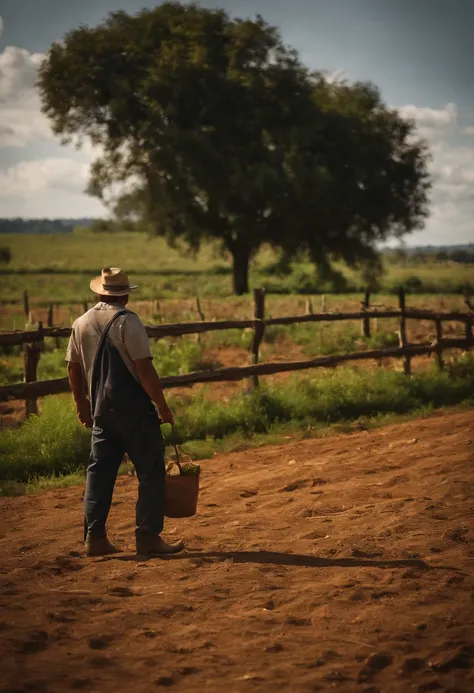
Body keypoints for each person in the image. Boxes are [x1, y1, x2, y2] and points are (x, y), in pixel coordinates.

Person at [66, 267, 184, 557]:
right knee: (151, 471)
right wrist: (163, 406)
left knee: (99, 473)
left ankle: (94, 538)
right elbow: (144, 368)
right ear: (126, 296)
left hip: (102, 411)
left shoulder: (80, 323)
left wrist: (82, 405)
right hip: (134, 410)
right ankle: (147, 538)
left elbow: (73, 367)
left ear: (98, 292)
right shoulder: (128, 322)